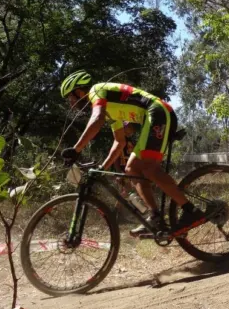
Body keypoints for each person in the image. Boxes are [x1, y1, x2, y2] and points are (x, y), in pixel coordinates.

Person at [59, 71, 207, 236]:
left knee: (148, 167)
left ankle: (191, 211)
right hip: (151, 118)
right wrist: (102, 167)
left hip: (158, 112)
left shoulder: (96, 91)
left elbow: (97, 118)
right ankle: (156, 217)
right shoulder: (110, 112)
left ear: (79, 91)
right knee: (131, 169)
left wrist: (76, 149)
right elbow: (119, 142)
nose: (71, 104)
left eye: (71, 98)